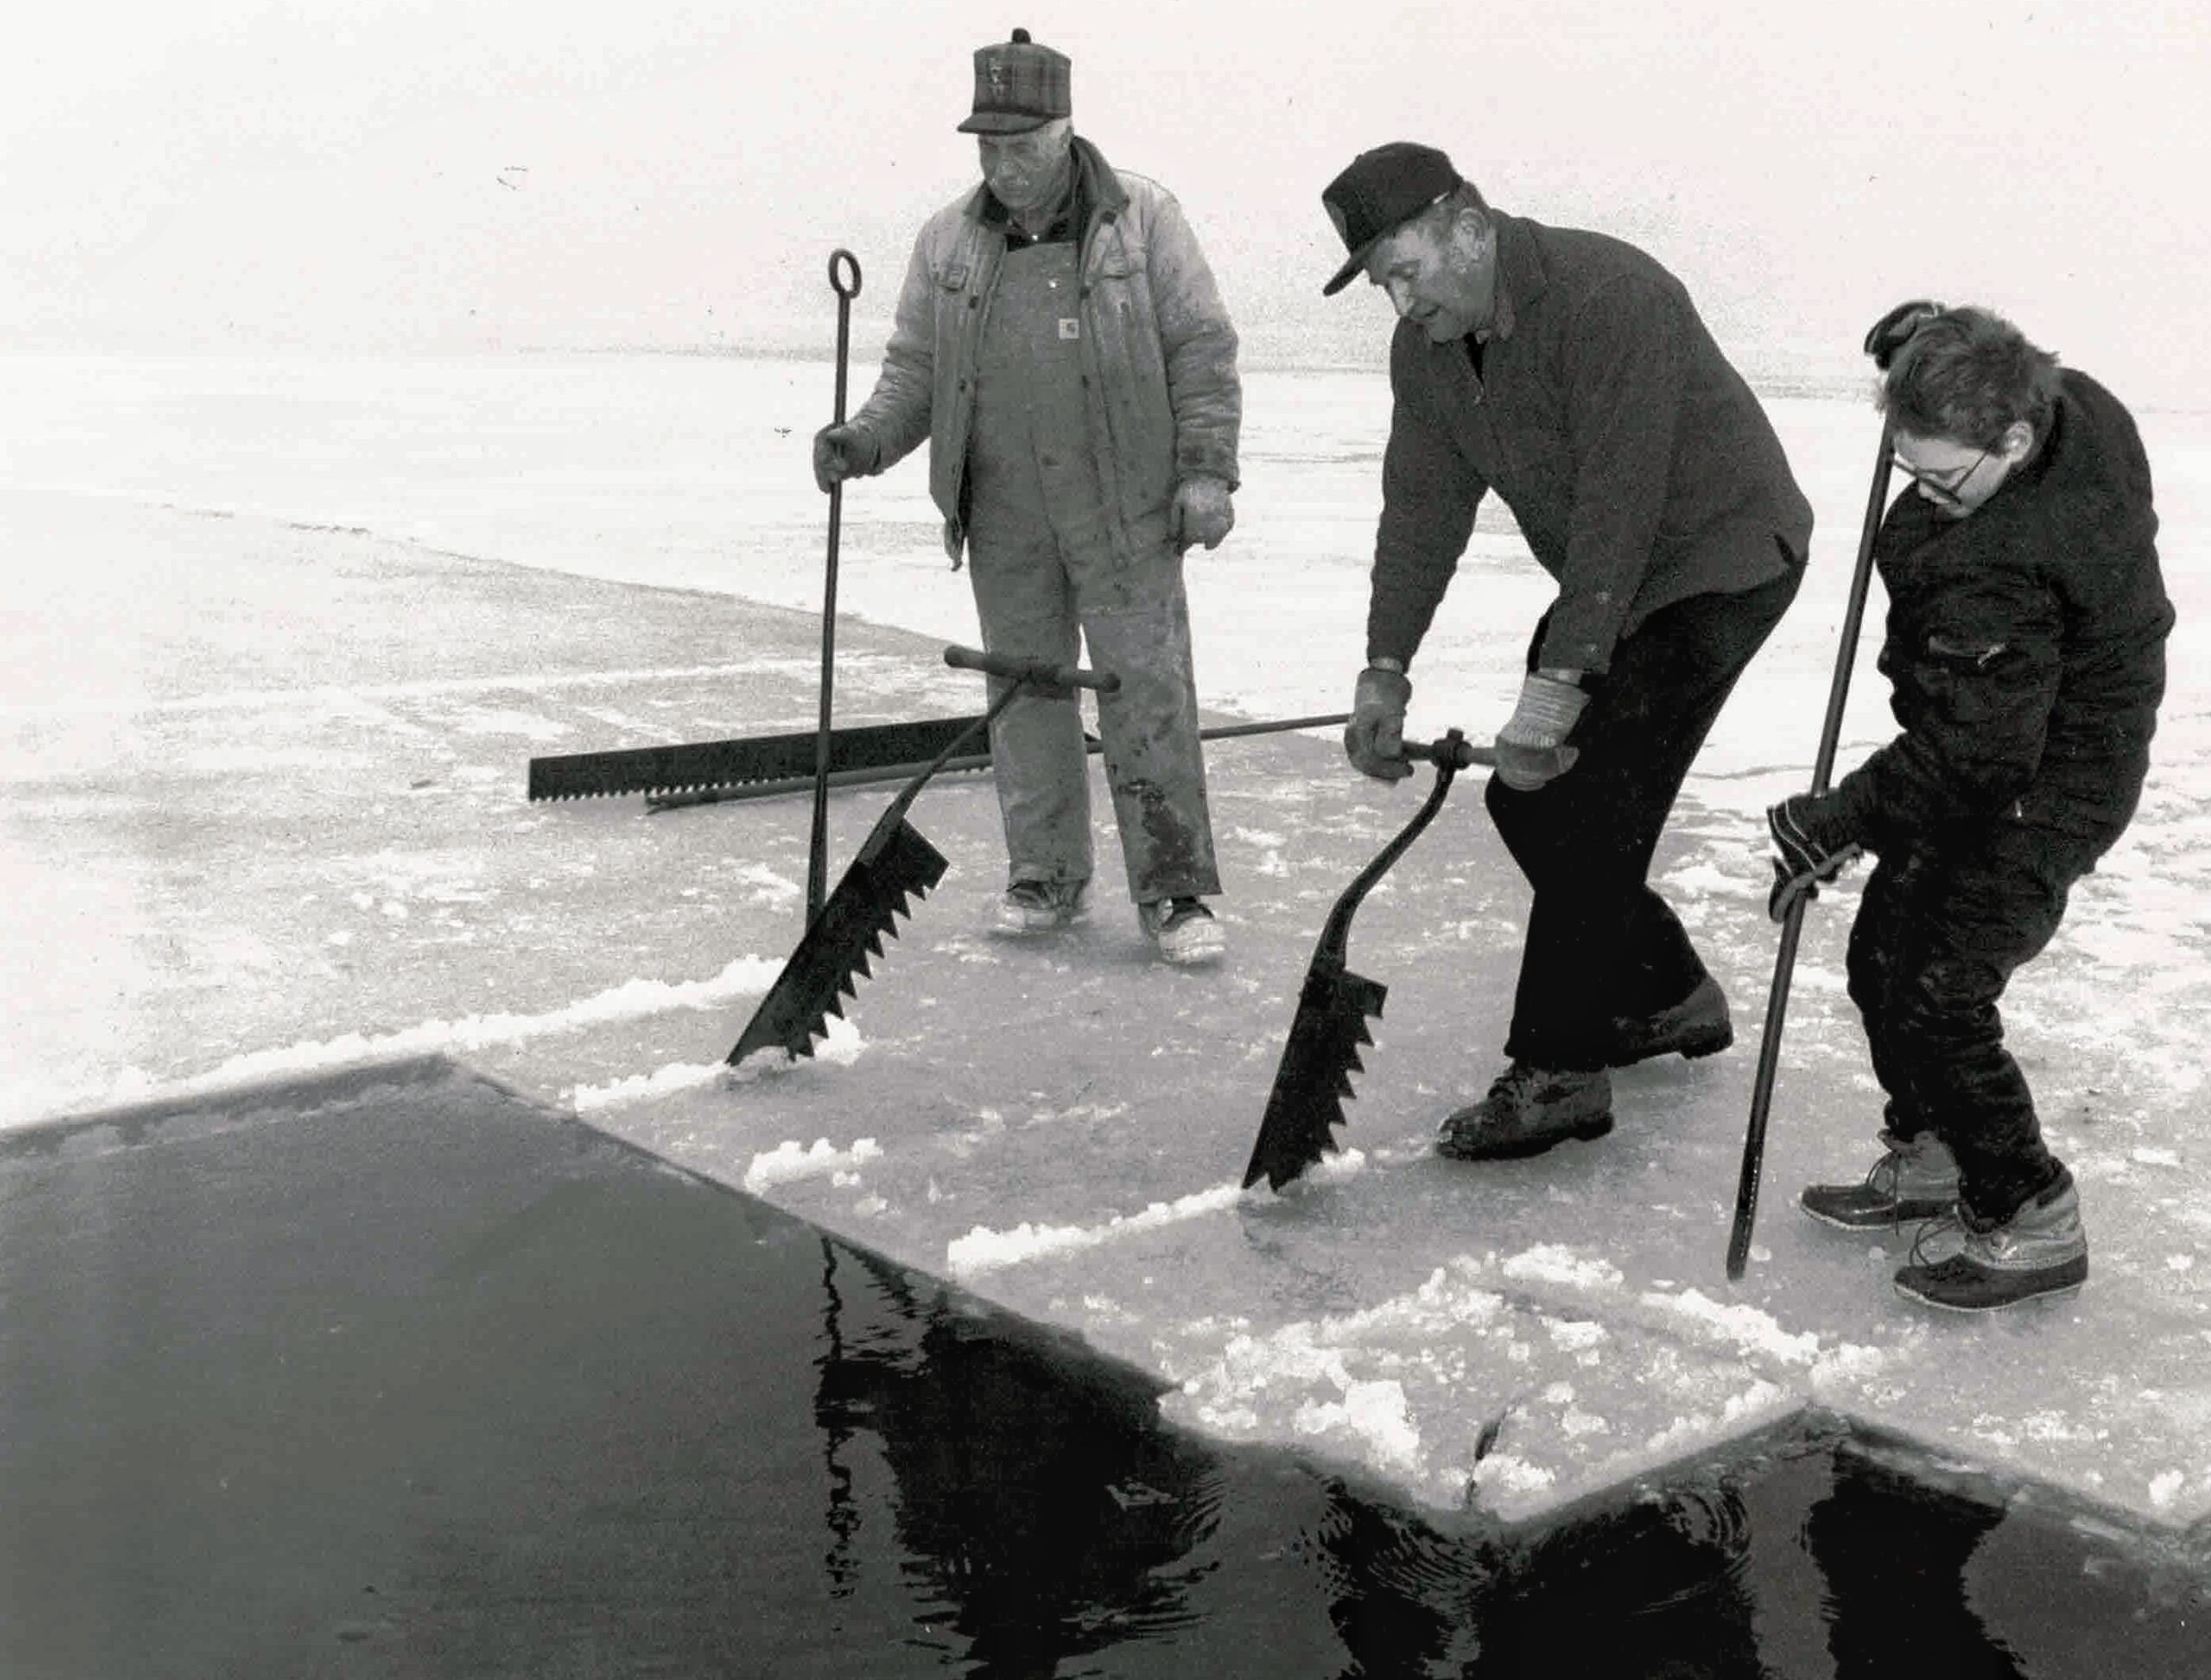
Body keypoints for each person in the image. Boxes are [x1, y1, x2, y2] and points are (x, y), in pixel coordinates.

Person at [1319, 142, 1813, 1160]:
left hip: (1721, 559)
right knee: (1523, 797)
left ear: (1468, 227)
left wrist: (1558, 690)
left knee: (1590, 799)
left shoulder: (1609, 297)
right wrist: (1383, 665)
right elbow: (1419, 510)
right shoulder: (1428, 353)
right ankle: (1669, 993)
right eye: (1382, 284)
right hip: (1616, 580)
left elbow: (1619, 510)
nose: (1400, 302)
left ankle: (1560, 1072)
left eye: (1405, 271)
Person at [1769, 302, 2174, 1312]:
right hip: (1998, 736)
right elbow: (1992, 353)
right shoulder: (2075, 404)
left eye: (1947, 477)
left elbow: (1974, 755)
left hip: (2054, 776)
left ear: (2014, 440)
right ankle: (1938, 1150)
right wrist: (1930, 331)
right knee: (1880, 953)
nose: (1929, 497)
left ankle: (2030, 1209)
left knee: (1940, 990)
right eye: (1911, 472)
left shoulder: (1999, 557)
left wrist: (1838, 818)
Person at [812, 28, 1241, 966]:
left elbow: (1201, 350)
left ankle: (1174, 891)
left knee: (1147, 694)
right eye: (985, 146)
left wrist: (1206, 470)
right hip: (1003, 504)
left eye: (1019, 145)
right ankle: (1044, 873)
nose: (1000, 165)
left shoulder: (1144, 220)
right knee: (1024, 695)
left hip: (1124, 504)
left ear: (1063, 129)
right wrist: (863, 439)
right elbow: (914, 372)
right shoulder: (948, 241)